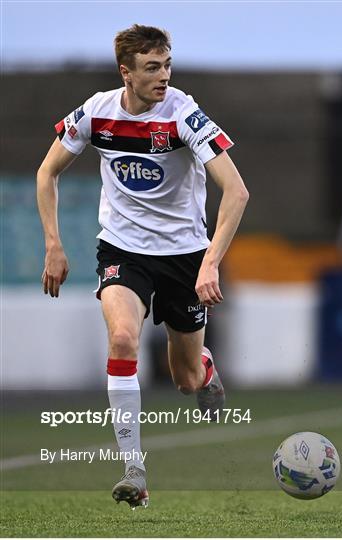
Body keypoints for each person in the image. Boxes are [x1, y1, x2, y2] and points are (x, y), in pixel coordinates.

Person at [37, 24, 249, 509]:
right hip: (123, 251)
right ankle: (134, 471)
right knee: (123, 339)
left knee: (185, 379)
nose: (164, 77)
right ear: (125, 73)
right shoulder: (96, 113)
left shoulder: (183, 114)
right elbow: (47, 172)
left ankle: (205, 367)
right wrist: (54, 244)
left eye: (167, 65)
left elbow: (236, 191)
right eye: (152, 68)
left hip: (184, 258)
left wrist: (211, 264)